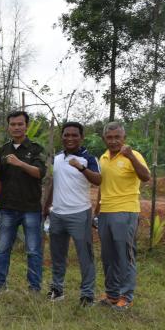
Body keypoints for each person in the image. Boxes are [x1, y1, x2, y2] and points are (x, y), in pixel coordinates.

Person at [43, 122, 101, 306]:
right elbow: (55, 182)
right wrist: (46, 206)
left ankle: (87, 294)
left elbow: (98, 180)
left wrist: (81, 168)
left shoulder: (89, 159)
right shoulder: (58, 158)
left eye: (74, 135)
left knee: (85, 255)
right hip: (57, 214)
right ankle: (57, 289)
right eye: (66, 135)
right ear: (62, 137)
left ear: (81, 137)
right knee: (58, 254)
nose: (69, 138)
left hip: (79, 213)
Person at [0, 111, 47, 293]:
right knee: (2, 248)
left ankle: (34, 286)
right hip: (7, 208)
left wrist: (20, 163)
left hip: (30, 208)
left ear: (26, 126)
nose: (16, 127)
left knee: (33, 250)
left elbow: (39, 173)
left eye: (20, 124)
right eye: (13, 124)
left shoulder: (36, 148)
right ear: (8, 127)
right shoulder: (4, 149)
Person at [96, 121, 150, 309]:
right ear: (104, 139)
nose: (113, 141)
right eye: (109, 138)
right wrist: (97, 212)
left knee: (125, 255)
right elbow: (102, 187)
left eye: (117, 137)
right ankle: (111, 294)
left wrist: (131, 157)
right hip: (105, 212)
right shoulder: (102, 158)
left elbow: (146, 177)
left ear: (124, 138)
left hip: (126, 212)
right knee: (108, 256)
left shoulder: (133, 155)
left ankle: (126, 296)